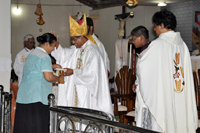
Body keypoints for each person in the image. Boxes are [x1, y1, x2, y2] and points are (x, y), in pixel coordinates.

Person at [132, 11, 198, 133]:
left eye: (155, 26)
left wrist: (137, 84)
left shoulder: (157, 45)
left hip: (163, 98)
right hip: (179, 92)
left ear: (162, 25)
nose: (155, 29)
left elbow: (143, 69)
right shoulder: (182, 45)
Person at [51, 13, 113, 117]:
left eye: (75, 39)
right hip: (75, 89)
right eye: (72, 39)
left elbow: (92, 73)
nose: (73, 42)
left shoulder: (93, 51)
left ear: (83, 37)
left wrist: (74, 71)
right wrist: (56, 45)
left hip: (87, 91)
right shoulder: (76, 49)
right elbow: (64, 55)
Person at [14, 33, 64, 133]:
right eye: (53, 46)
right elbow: (49, 77)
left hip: (24, 96)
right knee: (37, 127)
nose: (53, 49)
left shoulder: (32, 53)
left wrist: (52, 66)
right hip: (37, 98)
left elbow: (36, 68)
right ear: (47, 44)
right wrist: (59, 78)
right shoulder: (44, 56)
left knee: (25, 127)